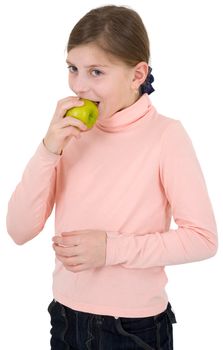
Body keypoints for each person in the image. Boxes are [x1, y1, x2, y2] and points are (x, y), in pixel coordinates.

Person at [6, 5, 218, 350]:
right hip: (65, 317)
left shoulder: (166, 136)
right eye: (73, 69)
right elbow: (19, 230)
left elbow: (203, 239)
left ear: (137, 75)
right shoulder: (69, 134)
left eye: (96, 72)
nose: (80, 86)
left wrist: (110, 249)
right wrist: (49, 148)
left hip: (134, 328)